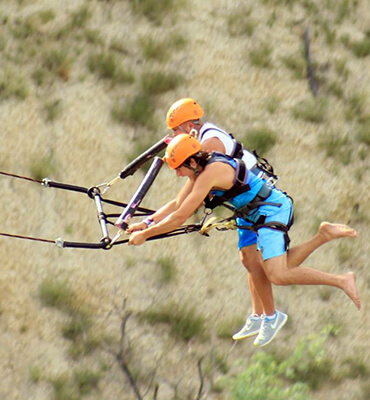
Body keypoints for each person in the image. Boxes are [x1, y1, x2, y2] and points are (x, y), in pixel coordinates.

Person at [127, 134, 361, 347]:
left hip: (271, 211)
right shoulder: (199, 169)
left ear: (191, 162)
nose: (177, 174)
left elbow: (180, 216)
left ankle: (339, 281)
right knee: (251, 261)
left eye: (178, 169)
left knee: (278, 274)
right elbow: (177, 204)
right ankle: (262, 313)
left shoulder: (211, 172)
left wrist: (146, 236)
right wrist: (146, 223)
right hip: (250, 214)